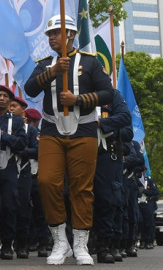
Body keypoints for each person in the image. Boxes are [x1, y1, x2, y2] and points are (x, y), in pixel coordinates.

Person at [25, 14, 114, 266]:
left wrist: (79, 100)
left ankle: (81, 243)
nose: (52, 37)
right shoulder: (44, 63)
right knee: (46, 182)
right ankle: (59, 240)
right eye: (50, 34)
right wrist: (54, 71)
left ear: (71, 35)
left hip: (83, 130)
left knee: (81, 188)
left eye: (56, 33)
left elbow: (108, 92)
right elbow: (30, 89)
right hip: (52, 130)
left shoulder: (91, 62)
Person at [0, 85, 27, 260]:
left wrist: (3, 136)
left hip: (9, 165)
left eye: (5, 96)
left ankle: (8, 244)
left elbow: (22, 144)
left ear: (10, 101)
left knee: (9, 206)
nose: (1, 98)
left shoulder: (16, 121)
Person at [92, 89, 132, 263]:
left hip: (108, 155)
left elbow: (126, 125)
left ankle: (106, 245)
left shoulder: (113, 95)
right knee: (76, 198)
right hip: (80, 153)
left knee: (109, 201)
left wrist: (102, 124)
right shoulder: (78, 93)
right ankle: (80, 243)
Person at [10, 94, 37, 259]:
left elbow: (38, 149)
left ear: (23, 110)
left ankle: (22, 245)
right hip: (5, 169)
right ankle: (6, 243)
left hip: (24, 172)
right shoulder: (4, 125)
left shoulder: (30, 130)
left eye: (15, 106)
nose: (11, 108)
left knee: (23, 209)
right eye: (10, 106)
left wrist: (22, 151)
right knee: (4, 207)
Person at [24, 107, 52, 257]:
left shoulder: (39, 135)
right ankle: (26, 241)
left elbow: (40, 151)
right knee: (24, 211)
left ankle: (43, 243)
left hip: (38, 175)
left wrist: (24, 150)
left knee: (40, 213)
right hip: (23, 174)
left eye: (29, 120)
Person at [139, 174, 159, 249]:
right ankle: (141, 240)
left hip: (147, 204)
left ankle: (148, 241)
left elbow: (155, 192)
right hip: (138, 204)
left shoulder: (150, 180)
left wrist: (145, 190)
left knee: (148, 224)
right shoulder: (135, 180)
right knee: (140, 222)